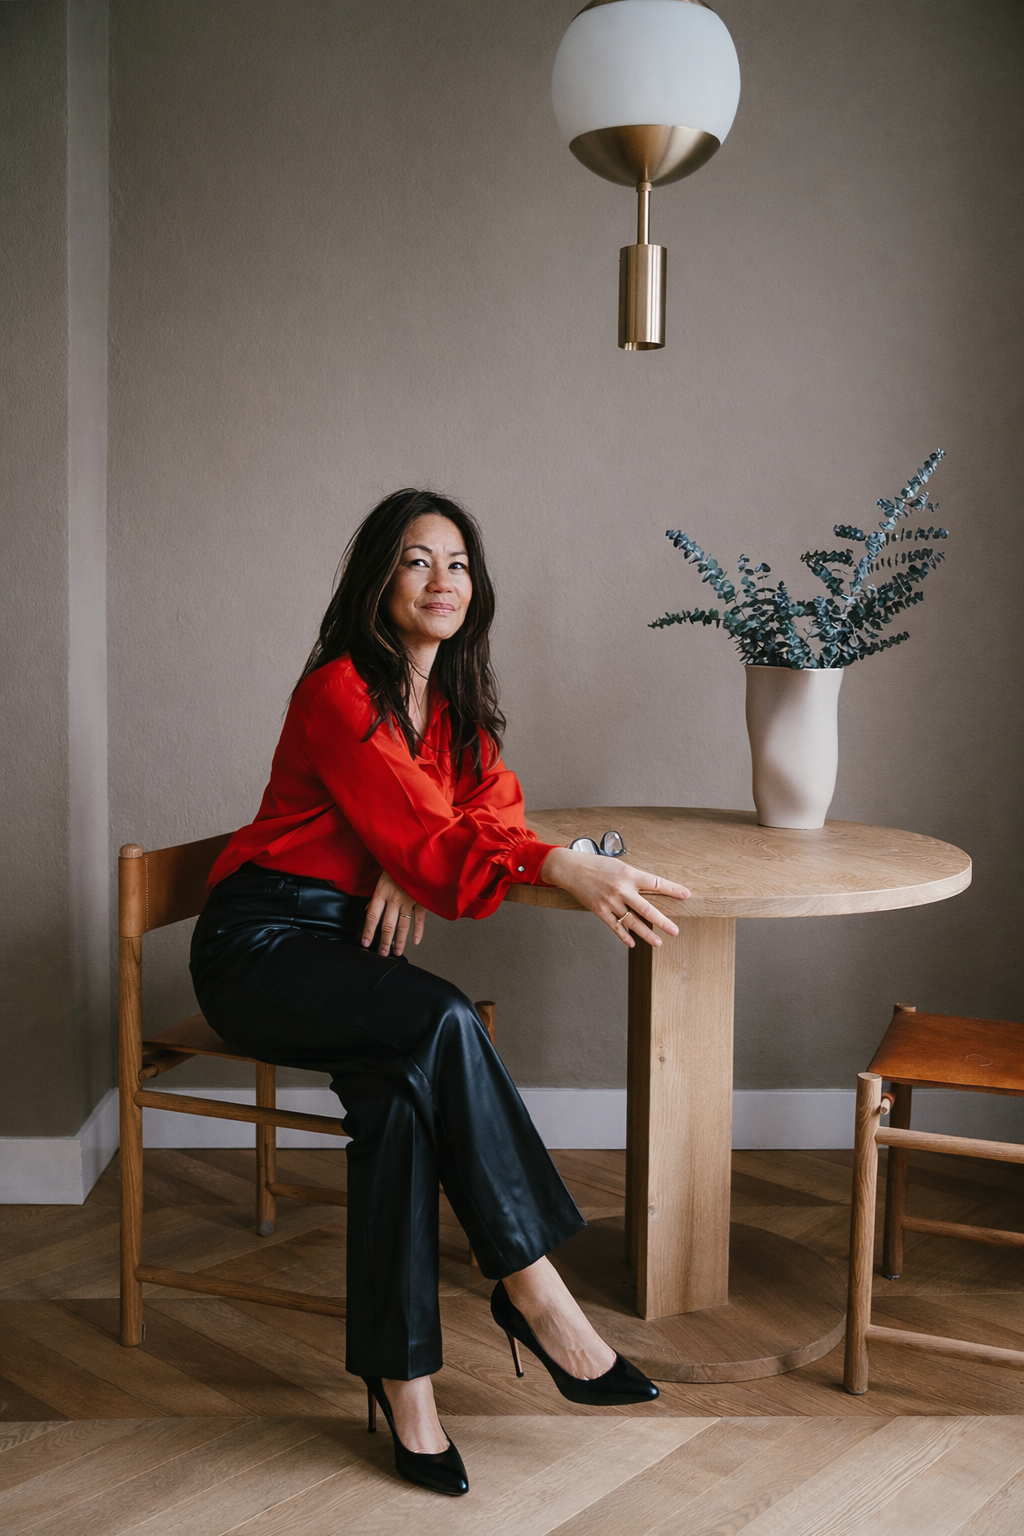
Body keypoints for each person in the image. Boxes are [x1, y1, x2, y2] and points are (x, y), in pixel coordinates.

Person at [190, 489, 690, 1496]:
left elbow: (481, 814)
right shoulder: (341, 688)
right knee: (443, 1016)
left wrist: (406, 856)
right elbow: (437, 834)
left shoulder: (451, 715)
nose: (441, 581)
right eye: (417, 561)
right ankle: (536, 1295)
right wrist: (535, 862)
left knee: (403, 1095)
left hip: (348, 951)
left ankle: (404, 1383)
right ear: (379, 579)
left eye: (457, 564)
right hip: (261, 945)